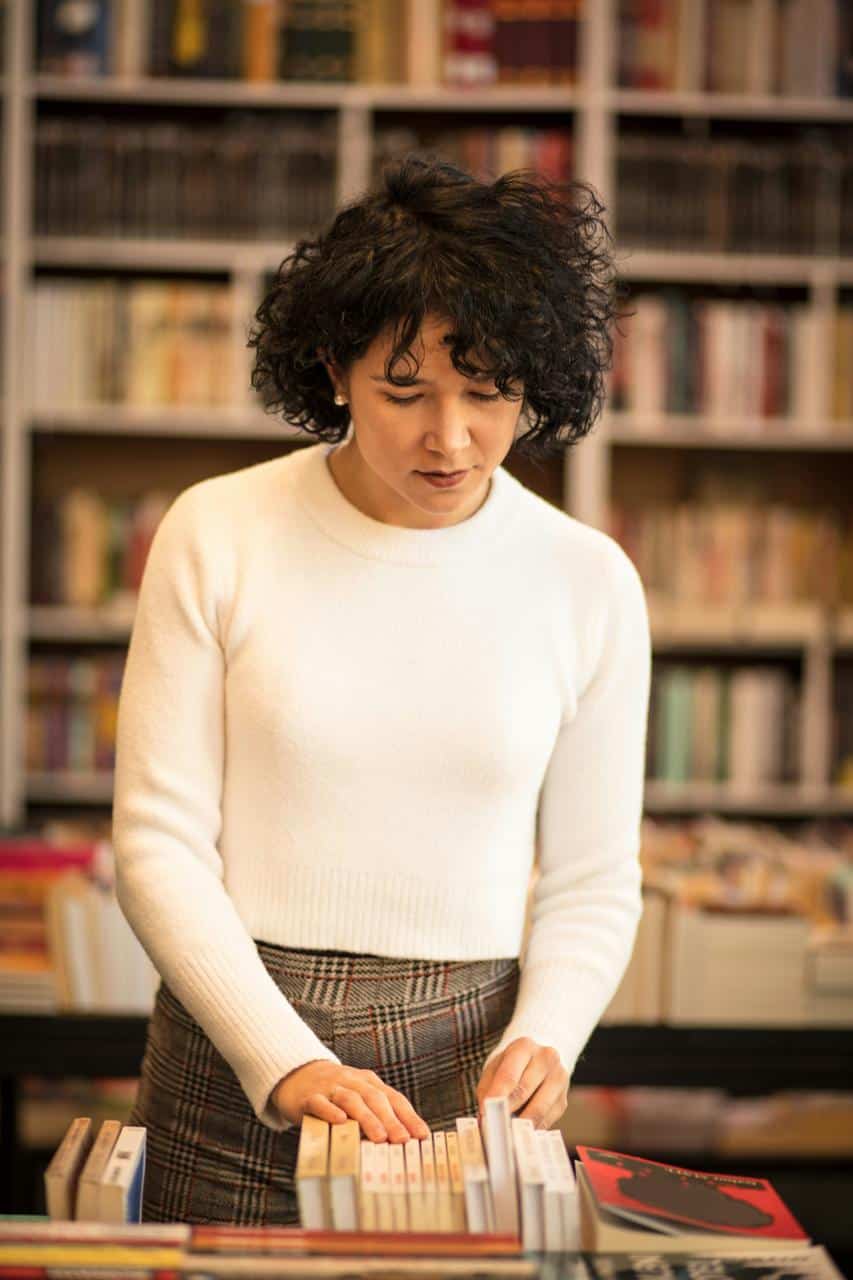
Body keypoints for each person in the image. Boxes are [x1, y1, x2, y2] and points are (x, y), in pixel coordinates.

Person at [113, 153, 651, 1224]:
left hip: (472, 1064)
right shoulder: (216, 532)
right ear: (333, 368)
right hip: (235, 1050)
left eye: (487, 392)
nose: (448, 438)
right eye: (404, 392)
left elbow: (592, 875)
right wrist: (284, 1058)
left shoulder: (586, 578)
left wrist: (551, 1030)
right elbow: (157, 841)